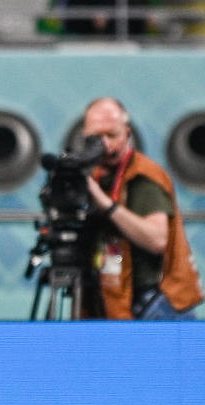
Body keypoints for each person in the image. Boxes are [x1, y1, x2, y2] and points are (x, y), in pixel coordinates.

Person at [82, 97, 203, 319]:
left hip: (158, 303)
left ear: (127, 133)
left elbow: (157, 239)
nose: (105, 145)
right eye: (96, 138)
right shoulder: (97, 176)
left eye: (112, 135)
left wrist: (106, 205)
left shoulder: (143, 176)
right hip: (121, 296)